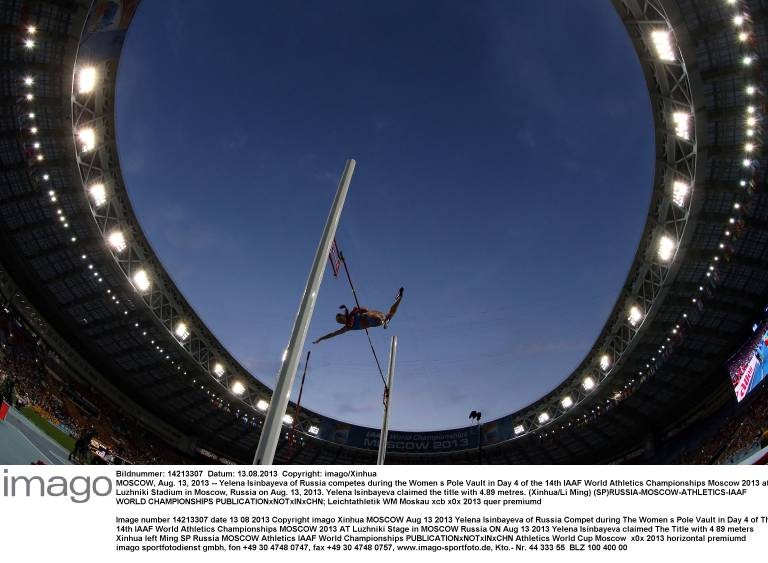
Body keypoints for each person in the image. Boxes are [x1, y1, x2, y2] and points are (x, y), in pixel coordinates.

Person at [313, 288, 404, 344]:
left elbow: (366, 310)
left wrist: (358, 309)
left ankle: (399, 299)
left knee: (385, 314)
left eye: (341, 320)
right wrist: (321, 339)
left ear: (344, 316)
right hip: (374, 321)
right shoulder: (348, 327)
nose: (342, 323)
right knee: (386, 316)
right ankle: (385, 321)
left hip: (374, 315)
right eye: (340, 322)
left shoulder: (352, 314)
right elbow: (333, 334)